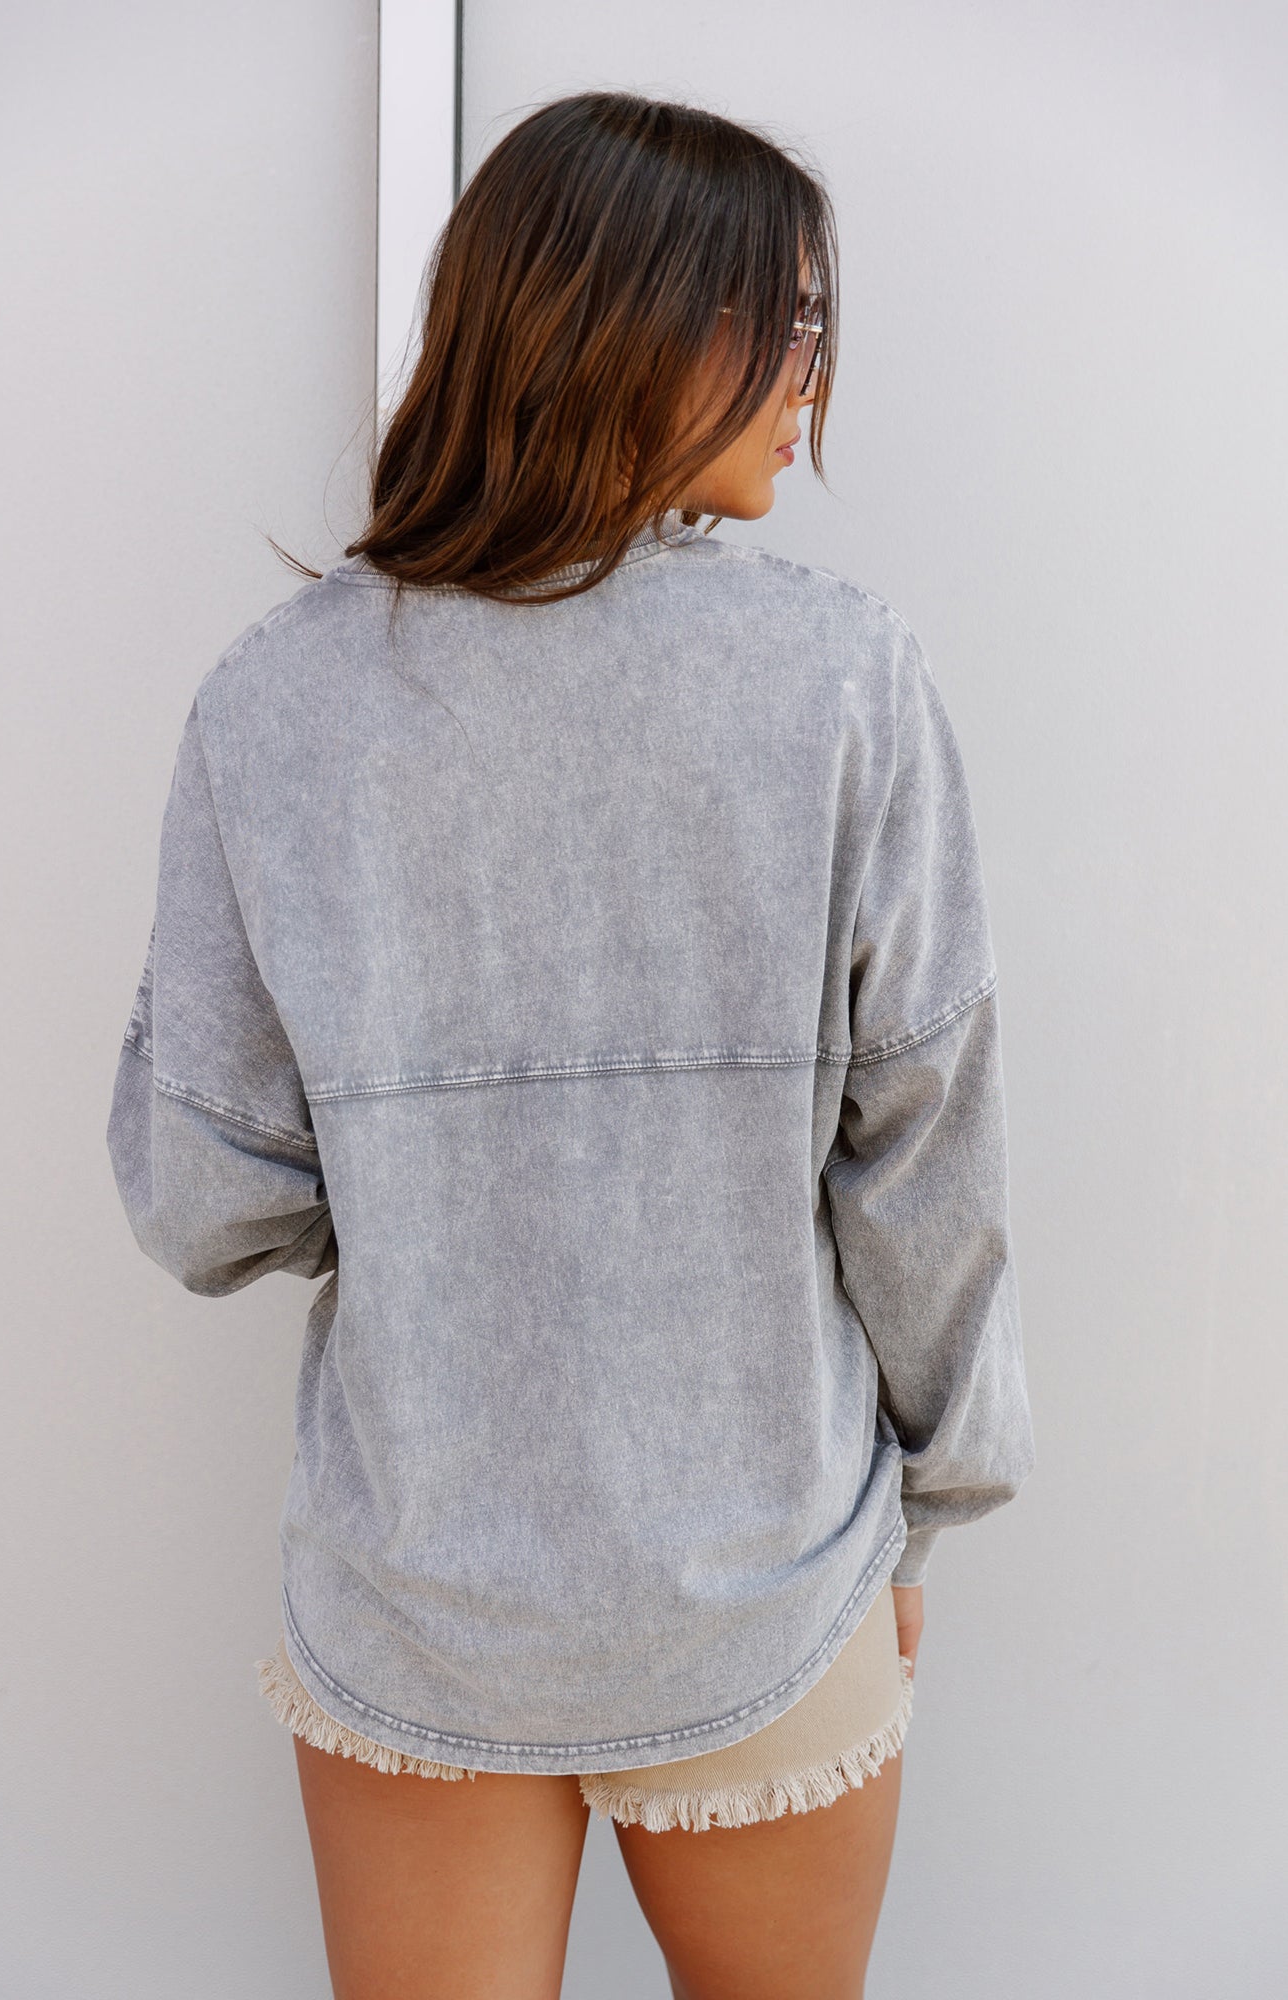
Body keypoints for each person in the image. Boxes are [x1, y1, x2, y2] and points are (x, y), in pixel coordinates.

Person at [106, 89, 1035, 2000]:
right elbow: (923, 1148)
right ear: (631, 321)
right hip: (772, 1580)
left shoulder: (275, 701)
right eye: (786, 320)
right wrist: (933, 1507)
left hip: (418, 1593)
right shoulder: (842, 677)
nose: (813, 376)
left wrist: (427, 1175)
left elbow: (200, 1197)